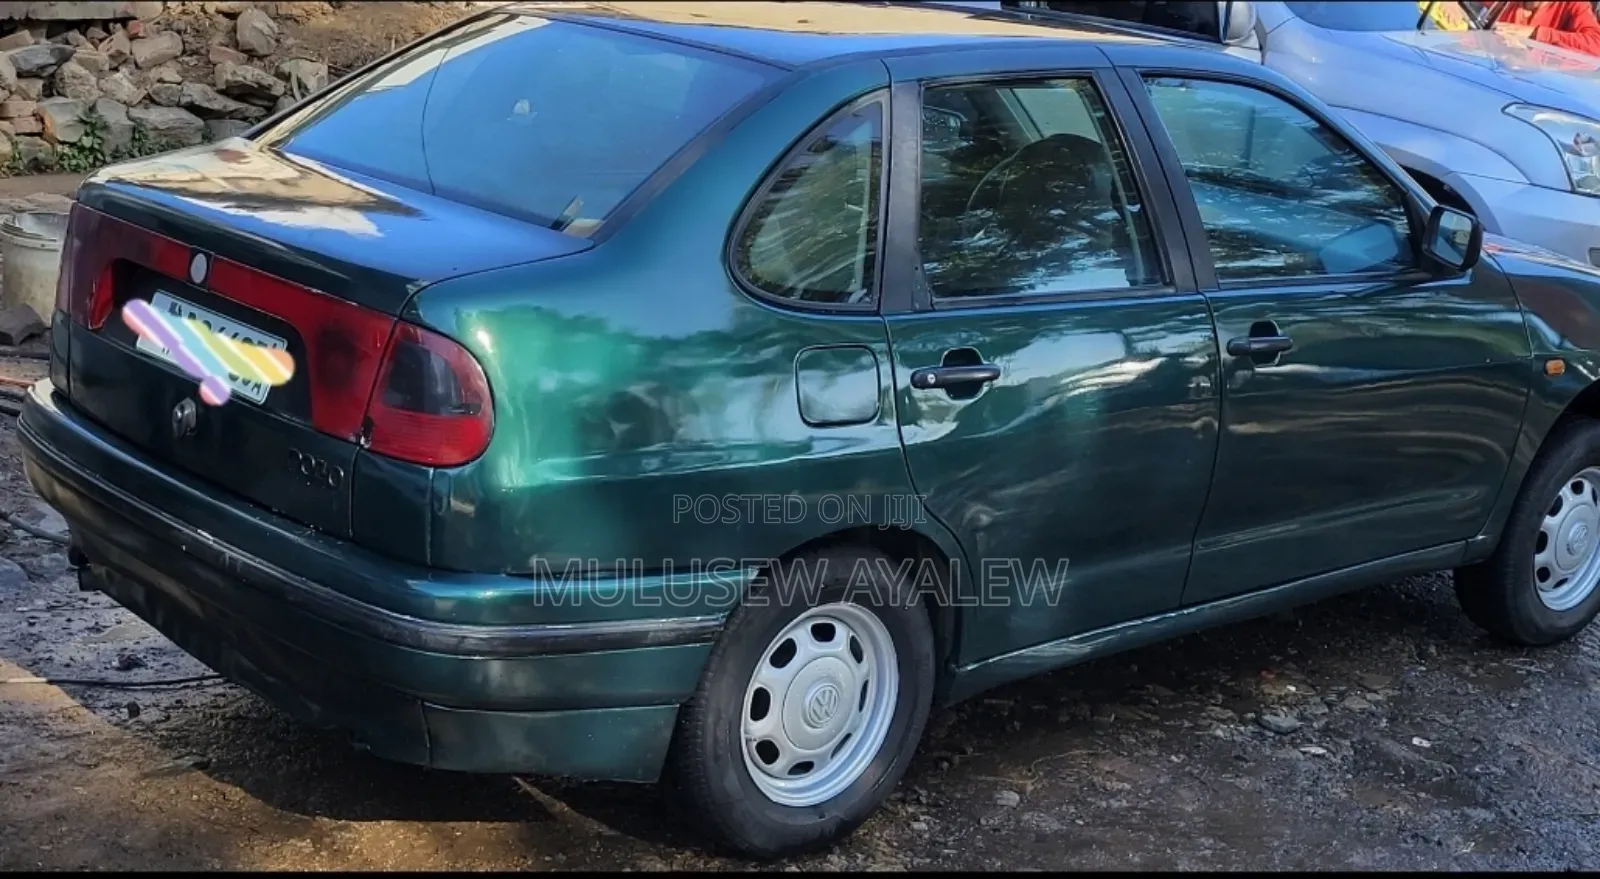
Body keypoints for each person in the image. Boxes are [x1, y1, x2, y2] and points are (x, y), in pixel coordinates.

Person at [1495, 1, 1600, 55]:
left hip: (1544, 82)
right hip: (1496, 74)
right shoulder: (1502, 4)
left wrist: (1536, 33)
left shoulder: (1574, 4)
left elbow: (1596, 44)